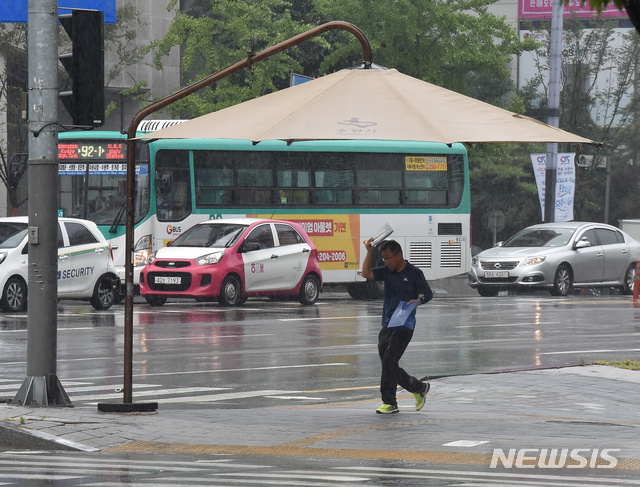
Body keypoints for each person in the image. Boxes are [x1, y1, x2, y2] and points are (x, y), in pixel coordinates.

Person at [362, 238, 433, 414]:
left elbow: (428, 294)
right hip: (387, 324)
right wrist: (370, 252)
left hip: (404, 325)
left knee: (389, 361)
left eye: (388, 257)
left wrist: (419, 300)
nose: (386, 261)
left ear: (399, 255)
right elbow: (366, 273)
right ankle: (418, 388)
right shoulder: (387, 271)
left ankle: (390, 402)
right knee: (389, 364)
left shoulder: (414, 272)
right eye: (384, 258)